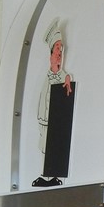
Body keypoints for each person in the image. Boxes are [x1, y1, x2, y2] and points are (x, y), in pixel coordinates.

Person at [33, 18, 74, 187]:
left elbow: (65, 77)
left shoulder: (61, 74)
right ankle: (46, 176)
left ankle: (51, 176)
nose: (59, 52)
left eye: (61, 49)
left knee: (53, 146)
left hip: (56, 118)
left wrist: (66, 78)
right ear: (51, 53)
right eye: (57, 48)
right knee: (45, 145)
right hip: (46, 117)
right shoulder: (49, 75)